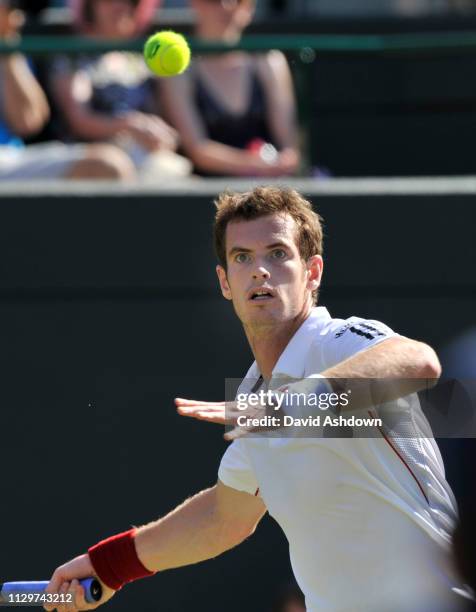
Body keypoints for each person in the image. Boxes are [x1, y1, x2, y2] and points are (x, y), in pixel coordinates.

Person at [44, 186, 470, 612]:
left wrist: (292, 404)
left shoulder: (337, 340)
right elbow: (222, 519)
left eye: (278, 253)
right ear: (225, 282)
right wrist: (108, 567)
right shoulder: (254, 396)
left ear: (313, 272)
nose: (260, 271)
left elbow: (418, 362)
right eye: (242, 257)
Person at [49, 0, 190, 180]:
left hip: (150, 162)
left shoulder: (140, 61)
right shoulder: (74, 58)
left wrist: (162, 136)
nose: (120, 6)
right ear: (90, 7)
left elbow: (167, 126)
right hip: (95, 164)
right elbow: (80, 119)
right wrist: (131, 125)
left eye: (130, 1)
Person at [160, 0, 300, 177]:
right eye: (215, 0)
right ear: (195, 4)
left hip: (269, 191)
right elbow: (198, 149)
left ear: (250, 7)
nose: (227, 6)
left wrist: (281, 162)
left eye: (238, 0)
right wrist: (257, 164)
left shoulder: (269, 60)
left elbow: (289, 145)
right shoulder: (178, 71)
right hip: (209, 195)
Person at [0, 0, 134, 180]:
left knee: (108, 165)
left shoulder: (10, 48)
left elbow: (27, 122)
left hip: (9, 157)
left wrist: (7, 46)